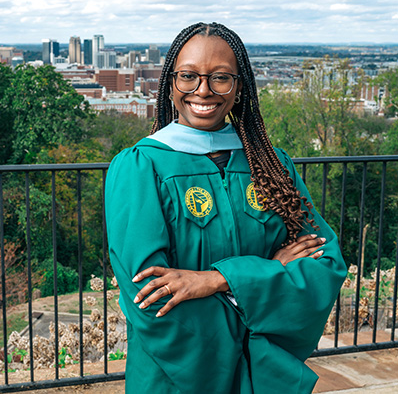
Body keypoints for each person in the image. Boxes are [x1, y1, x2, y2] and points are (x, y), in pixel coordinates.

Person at [105, 22, 347, 393]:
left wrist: (215, 280)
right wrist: (267, 278)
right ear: (171, 83)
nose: (203, 90)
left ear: (239, 87)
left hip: (264, 376)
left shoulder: (270, 165)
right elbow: (151, 298)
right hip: (176, 379)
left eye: (220, 77)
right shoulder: (142, 167)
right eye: (188, 76)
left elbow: (324, 265)